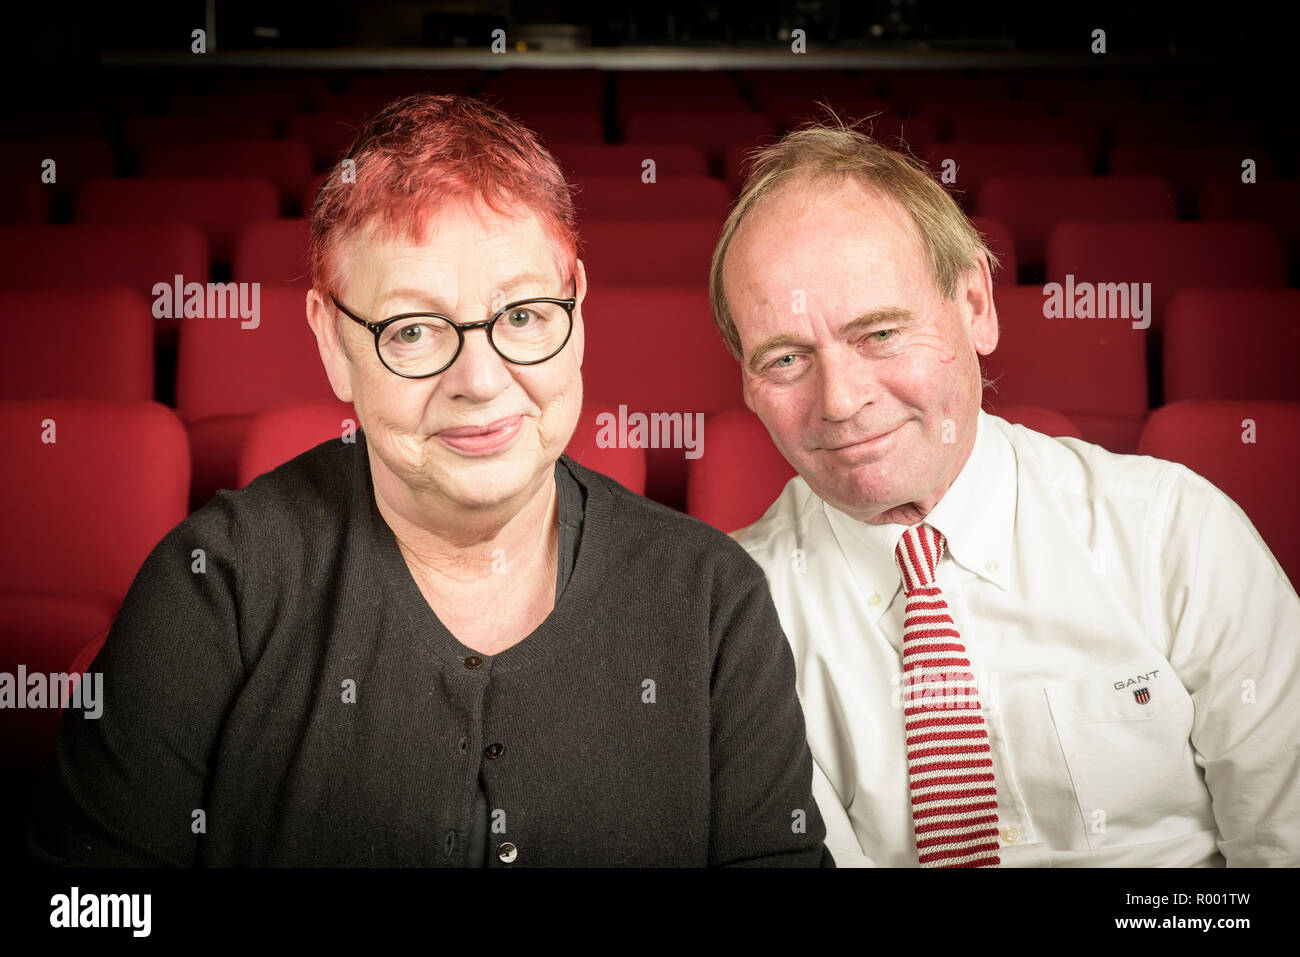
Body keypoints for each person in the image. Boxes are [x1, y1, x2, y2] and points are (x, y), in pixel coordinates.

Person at [27, 94, 832, 867]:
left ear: (577, 314)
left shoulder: (714, 598)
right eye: (414, 330)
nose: (481, 380)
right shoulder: (213, 585)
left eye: (522, 316)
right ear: (334, 343)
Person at [708, 118, 1300, 867]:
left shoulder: (1175, 532)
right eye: (787, 357)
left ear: (977, 305)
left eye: (880, 333)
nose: (840, 400)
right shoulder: (727, 616)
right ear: (748, 384)